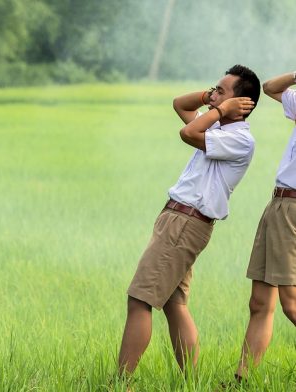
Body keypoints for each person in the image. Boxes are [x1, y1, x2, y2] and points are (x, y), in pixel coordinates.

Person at [117, 65, 261, 378]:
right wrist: (213, 98)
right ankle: (191, 382)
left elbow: (188, 133)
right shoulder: (218, 128)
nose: (213, 96)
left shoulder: (239, 139)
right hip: (179, 219)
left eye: (222, 90)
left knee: (140, 299)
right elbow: (180, 105)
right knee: (174, 303)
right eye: (214, 89)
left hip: (185, 222)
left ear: (241, 104)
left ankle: (121, 382)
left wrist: (220, 109)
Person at [234, 71, 296, 383]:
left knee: (291, 303)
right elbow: (271, 87)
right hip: (279, 203)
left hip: (293, 209)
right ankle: (243, 380)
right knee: (260, 302)